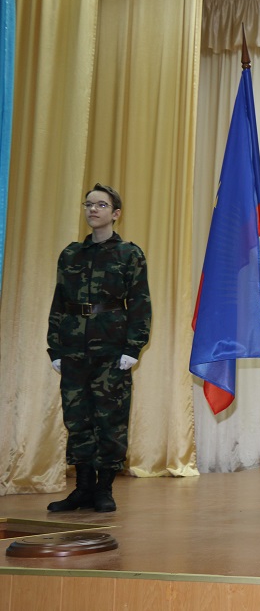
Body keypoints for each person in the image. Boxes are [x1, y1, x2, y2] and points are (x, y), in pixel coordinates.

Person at [46, 183, 151, 513]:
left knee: (110, 419)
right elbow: (59, 303)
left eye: (101, 205)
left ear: (115, 213)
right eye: (88, 204)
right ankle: (82, 489)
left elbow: (140, 303)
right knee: (77, 419)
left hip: (111, 349)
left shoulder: (129, 254)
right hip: (74, 349)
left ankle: (104, 489)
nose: (93, 209)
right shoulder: (71, 254)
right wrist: (55, 348)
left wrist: (133, 347)